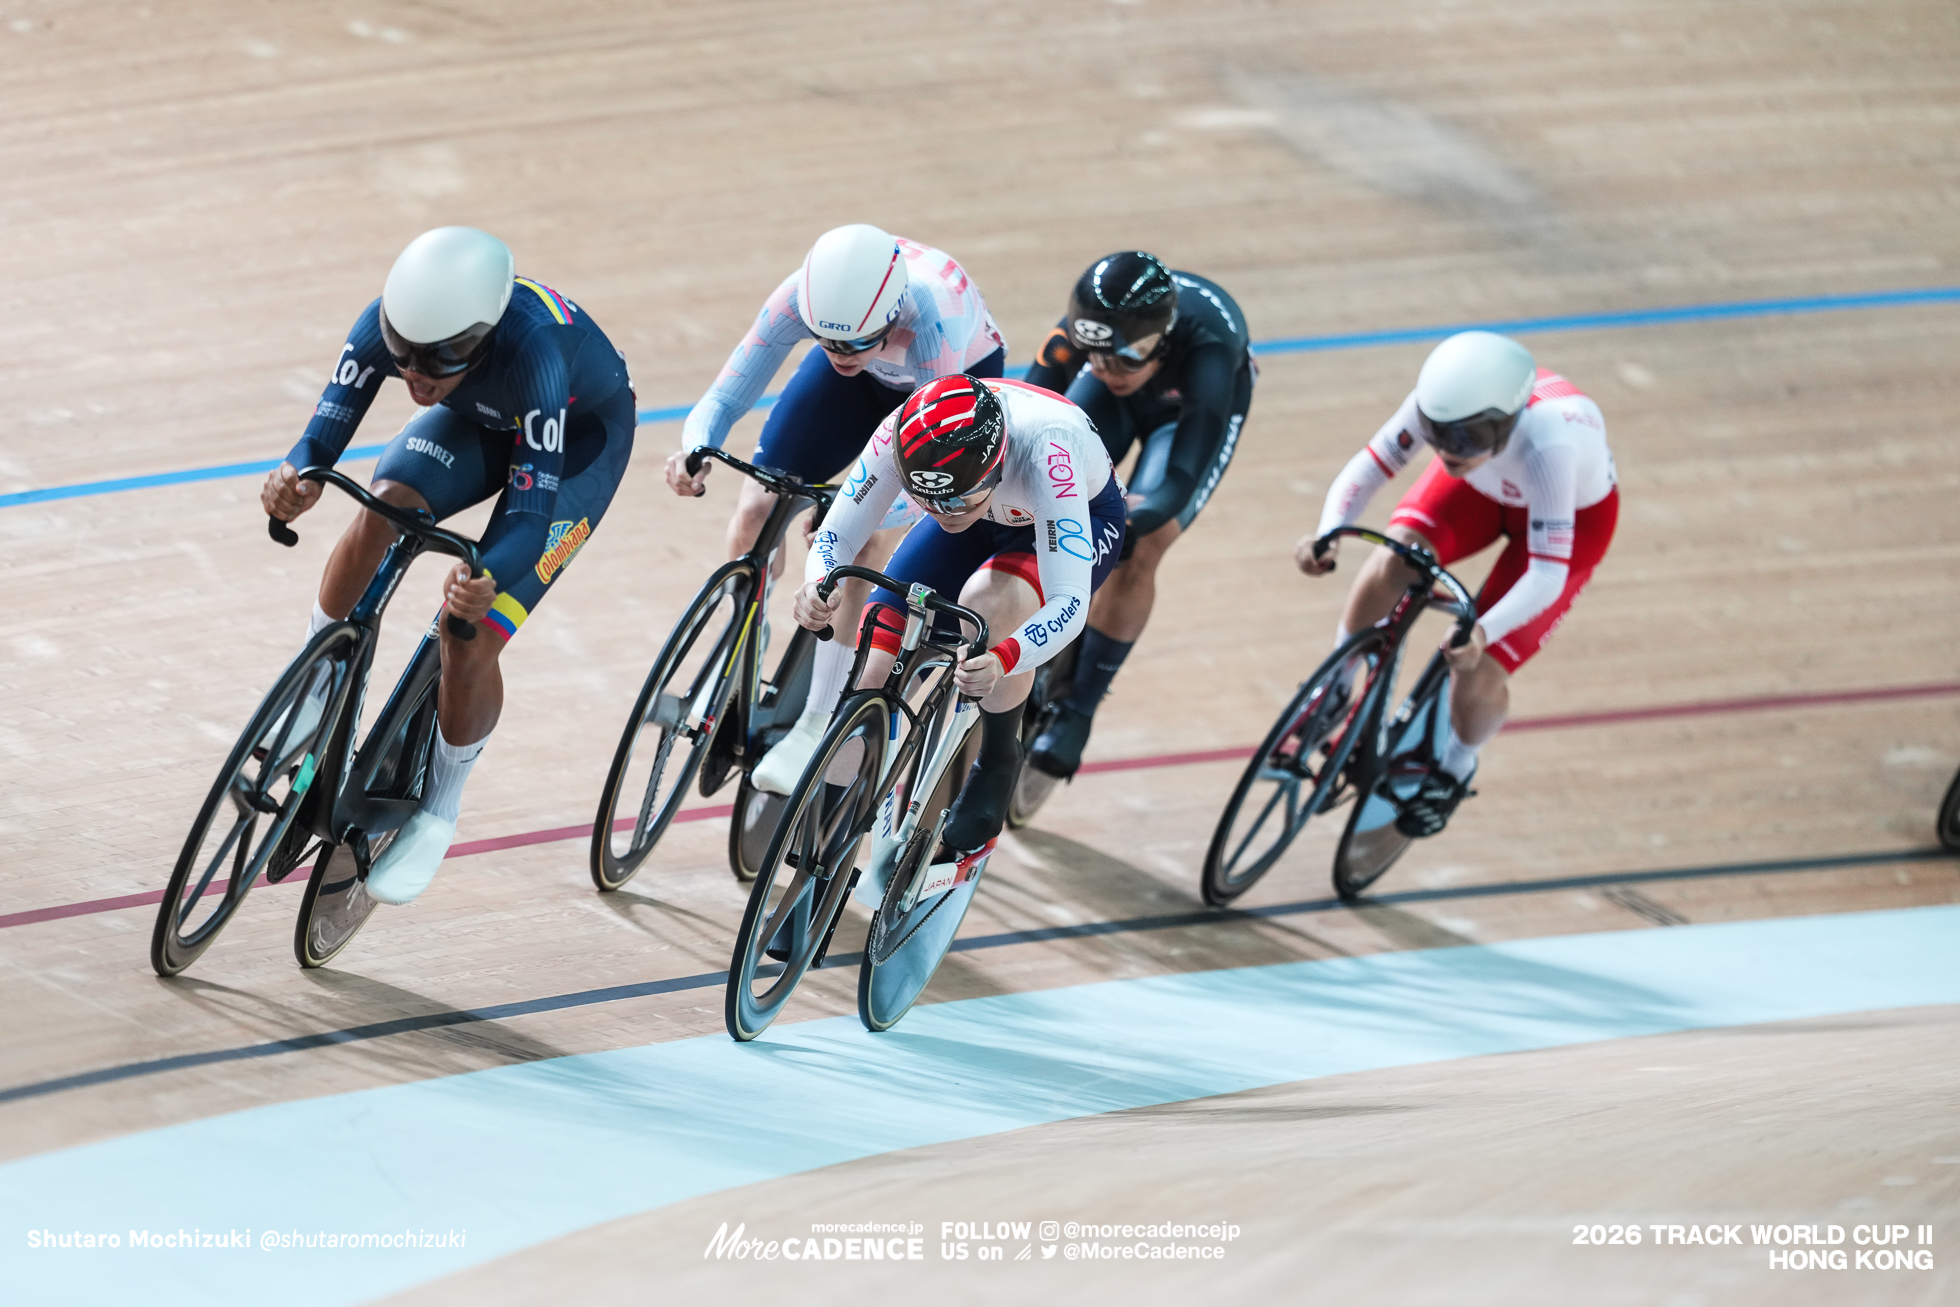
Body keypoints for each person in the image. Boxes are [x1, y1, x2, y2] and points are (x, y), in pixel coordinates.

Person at [260, 226, 634, 904]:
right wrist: (297, 478)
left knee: (470, 628)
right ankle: (317, 681)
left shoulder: (536, 357)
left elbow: (528, 516)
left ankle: (439, 808)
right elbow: (320, 439)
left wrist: (484, 578)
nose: (417, 375)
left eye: (440, 358)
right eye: (404, 355)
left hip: (575, 445)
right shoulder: (387, 328)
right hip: (480, 417)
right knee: (384, 503)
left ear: (484, 335)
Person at [663, 225, 1008, 795]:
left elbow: (918, 483)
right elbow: (726, 394)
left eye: (850, 343)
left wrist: (850, 516)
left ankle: (818, 721)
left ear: (890, 316)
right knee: (757, 505)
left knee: (865, 547)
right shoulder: (803, 301)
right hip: (870, 380)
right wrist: (696, 446)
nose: (836, 354)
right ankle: (738, 644)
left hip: (945, 392)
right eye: (825, 341)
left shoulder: (931, 322)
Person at [790, 374, 1125, 870]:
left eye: (953, 501)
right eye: (929, 501)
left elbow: (1069, 604)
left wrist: (1006, 656)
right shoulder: (902, 435)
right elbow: (835, 537)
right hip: (983, 516)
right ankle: (819, 846)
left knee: (989, 608)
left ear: (992, 472)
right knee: (873, 660)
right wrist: (818, 585)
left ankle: (998, 756)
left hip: (1070, 521)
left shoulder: (1051, 455)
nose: (941, 512)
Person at [1298, 330, 1618, 835]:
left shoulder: (1549, 444)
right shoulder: (1443, 412)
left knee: (1478, 670)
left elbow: (1546, 574)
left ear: (1508, 423)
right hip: (1482, 489)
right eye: (1438, 433)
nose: (1448, 450)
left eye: (1465, 439)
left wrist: (1485, 634)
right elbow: (1371, 466)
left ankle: (1455, 767)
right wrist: (1328, 532)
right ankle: (1337, 685)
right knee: (1395, 557)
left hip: (1569, 519)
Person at [1019, 251, 1254, 778]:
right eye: (1096, 359)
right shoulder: (1085, 342)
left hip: (1188, 411)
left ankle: (1079, 707)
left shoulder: (1207, 351)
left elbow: (1179, 481)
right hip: (1116, 406)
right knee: (1044, 478)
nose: (1108, 371)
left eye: (1126, 360)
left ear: (1161, 342)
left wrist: (1130, 522)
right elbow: (1027, 410)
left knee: (1141, 547)